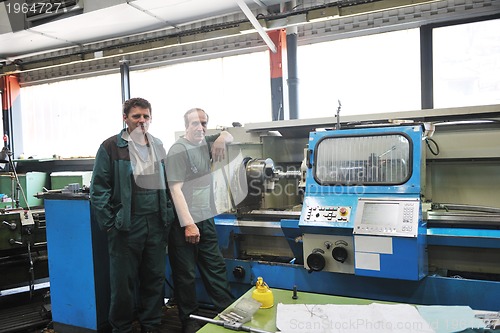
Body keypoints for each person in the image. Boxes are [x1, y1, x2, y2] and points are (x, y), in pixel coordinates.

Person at [90, 97, 174, 333]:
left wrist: (167, 214)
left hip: (156, 223)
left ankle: (151, 324)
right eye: (136, 116)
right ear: (125, 118)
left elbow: (167, 184)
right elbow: (99, 189)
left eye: (146, 116)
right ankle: (122, 328)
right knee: (123, 283)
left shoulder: (157, 145)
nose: (141, 121)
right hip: (126, 225)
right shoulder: (110, 147)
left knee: (154, 278)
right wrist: (110, 223)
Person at [166, 108, 235, 333]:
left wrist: (222, 138)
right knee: (185, 273)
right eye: (195, 123)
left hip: (205, 217)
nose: (200, 127)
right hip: (184, 221)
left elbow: (231, 134)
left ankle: (226, 311)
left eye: (204, 123)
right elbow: (174, 189)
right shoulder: (178, 149)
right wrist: (188, 224)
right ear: (186, 125)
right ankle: (188, 319)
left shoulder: (205, 142)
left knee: (214, 266)